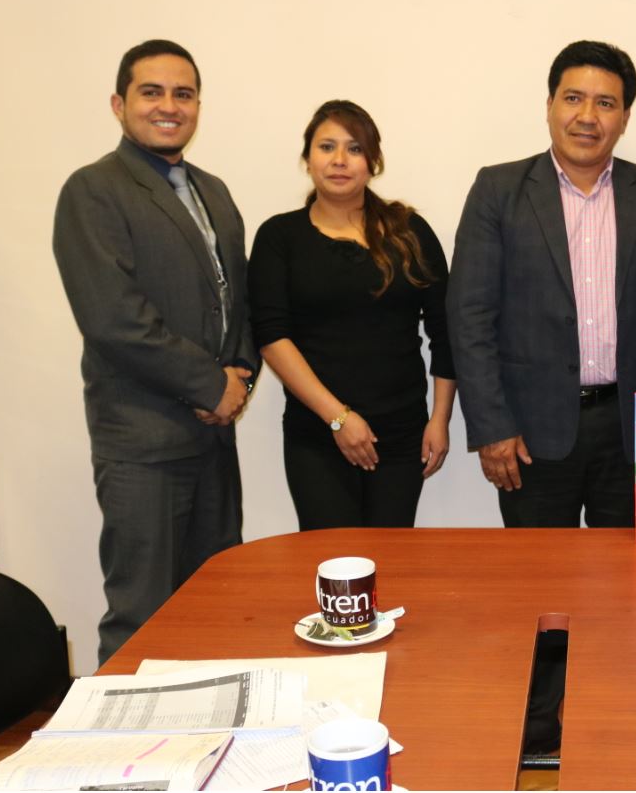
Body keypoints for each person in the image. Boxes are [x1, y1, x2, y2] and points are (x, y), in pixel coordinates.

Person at [53, 39, 259, 665]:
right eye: (152, 92)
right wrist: (211, 386)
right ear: (119, 104)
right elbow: (114, 319)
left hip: (212, 441)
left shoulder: (213, 191)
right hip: (143, 445)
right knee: (141, 621)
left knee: (217, 608)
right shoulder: (93, 190)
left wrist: (240, 376)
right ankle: (123, 732)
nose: (169, 106)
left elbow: (238, 299)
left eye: (183, 94)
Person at [448, 40, 636, 528]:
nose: (587, 116)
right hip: (529, 432)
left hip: (632, 429)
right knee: (539, 570)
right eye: (573, 98)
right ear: (550, 105)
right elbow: (469, 316)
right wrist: (491, 426)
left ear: (625, 117)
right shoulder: (498, 190)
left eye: (606, 103)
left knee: (629, 570)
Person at [248, 100, 455, 529]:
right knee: (333, 558)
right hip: (317, 436)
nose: (340, 160)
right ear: (307, 158)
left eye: (355, 148)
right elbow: (271, 336)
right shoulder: (279, 237)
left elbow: (445, 330)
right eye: (327, 147)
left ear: (373, 161)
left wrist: (440, 419)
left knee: (392, 557)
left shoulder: (409, 232)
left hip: (403, 435)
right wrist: (338, 418)